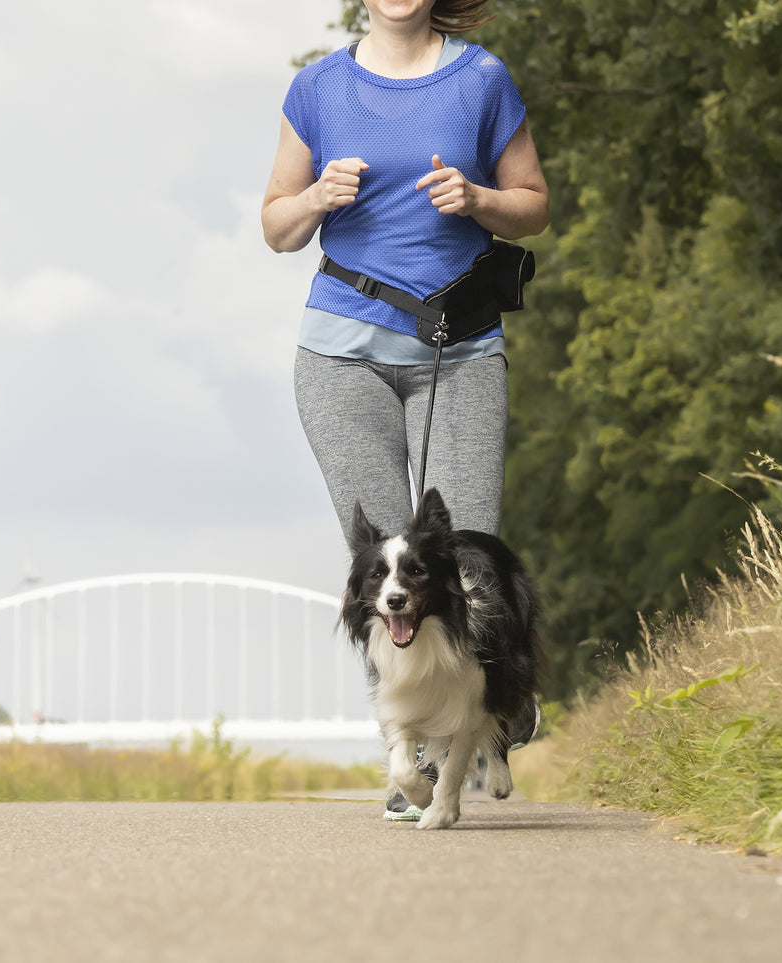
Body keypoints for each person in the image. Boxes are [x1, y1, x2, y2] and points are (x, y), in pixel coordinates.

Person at [260, 0, 549, 820]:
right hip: (338, 349)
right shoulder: (317, 88)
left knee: (462, 558)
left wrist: (480, 199)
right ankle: (410, 761)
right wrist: (316, 195)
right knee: (386, 567)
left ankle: (495, 695)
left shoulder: (481, 78)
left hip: (457, 348)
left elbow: (534, 202)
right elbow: (276, 228)